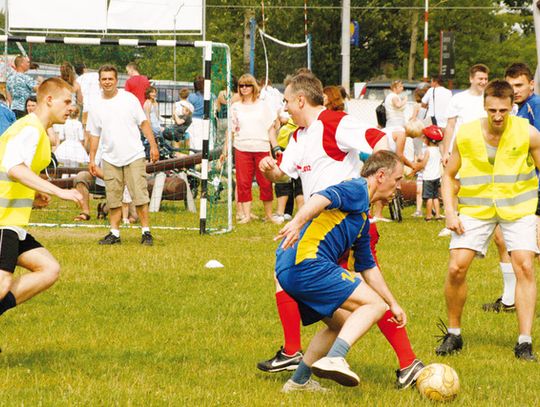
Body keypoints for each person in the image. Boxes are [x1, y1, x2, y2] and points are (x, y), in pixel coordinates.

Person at [259, 73, 424, 390]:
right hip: (316, 233)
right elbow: (284, 174)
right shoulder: (297, 137)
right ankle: (307, 360)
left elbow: (379, 140)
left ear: (300, 100)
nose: (285, 110)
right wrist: (271, 172)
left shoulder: (334, 123)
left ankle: (405, 362)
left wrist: (377, 179)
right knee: (359, 304)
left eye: (286, 102)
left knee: (358, 301)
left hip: (345, 224)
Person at [277, 151, 408, 392]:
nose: (399, 186)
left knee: (342, 322)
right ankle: (335, 357)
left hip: (290, 270)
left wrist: (394, 304)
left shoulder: (361, 217)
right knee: (374, 305)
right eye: (398, 179)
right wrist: (296, 222)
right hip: (307, 263)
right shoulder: (358, 188)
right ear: (381, 175)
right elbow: (322, 198)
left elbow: (367, 268)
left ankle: (298, 382)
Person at [436, 79, 540, 361]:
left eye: (503, 111)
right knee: (457, 267)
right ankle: (454, 334)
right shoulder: (466, 133)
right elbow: (448, 175)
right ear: (484, 107)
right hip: (476, 207)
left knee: (526, 267)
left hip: (517, 208)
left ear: (512, 107)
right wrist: (450, 211)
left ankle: (524, 341)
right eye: (492, 110)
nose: (497, 116)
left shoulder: (528, 133)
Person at [0, 77, 83, 332]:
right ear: (48, 99)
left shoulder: (38, 132)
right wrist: (59, 191)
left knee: (49, 268)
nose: (72, 108)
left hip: (13, 222)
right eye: (67, 101)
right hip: (3, 221)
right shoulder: (30, 129)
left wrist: (35, 195)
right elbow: (14, 168)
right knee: (3, 283)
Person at [482, 62, 540, 313]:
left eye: (520, 85)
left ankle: (513, 299)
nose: (515, 90)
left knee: (527, 248)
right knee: (502, 239)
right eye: (511, 85)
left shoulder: (535, 108)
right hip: (515, 189)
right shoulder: (513, 110)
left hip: (532, 189)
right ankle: (510, 299)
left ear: (531, 84)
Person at [87, 65, 159, 246]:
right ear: (99, 82)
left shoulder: (129, 99)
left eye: (110, 78)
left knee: (140, 196)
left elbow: (144, 123)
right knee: (113, 198)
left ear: (116, 80)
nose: (107, 82)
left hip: (133, 155)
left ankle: (146, 232)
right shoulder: (95, 105)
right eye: (104, 79)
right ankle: (114, 233)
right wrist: (92, 159)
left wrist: (153, 145)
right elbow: (94, 134)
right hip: (110, 158)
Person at [222, 73, 278, 223]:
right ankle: (246, 215)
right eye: (241, 85)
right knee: (243, 182)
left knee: (266, 183)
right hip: (242, 148)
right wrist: (225, 149)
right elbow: (231, 129)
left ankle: (269, 215)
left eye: (247, 85)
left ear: (254, 87)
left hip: (262, 148)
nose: (244, 88)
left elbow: (270, 129)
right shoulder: (235, 107)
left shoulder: (263, 105)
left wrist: (276, 148)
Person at [417, 125, 443, 221]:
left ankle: (428, 216)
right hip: (436, 177)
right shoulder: (438, 150)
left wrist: (419, 162)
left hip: (428, 177)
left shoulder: (428, 151)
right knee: (436, 197)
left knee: (428, 198)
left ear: (429, 140)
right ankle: (438, 215)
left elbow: (424, 164)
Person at [74, 62, 101, 128]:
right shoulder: (95, 75)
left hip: (85, 109)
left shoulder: (77, 81)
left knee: (86, 129)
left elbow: (78, 99)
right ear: (84, 69)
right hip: (98, 107)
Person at [187, 76, 205, 151]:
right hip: (207, 120)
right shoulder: (211, 95)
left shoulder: (191, 97)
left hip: (194, 121)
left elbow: (187, 110)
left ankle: (194, 160)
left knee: (194, 143)